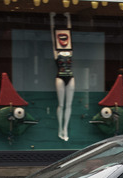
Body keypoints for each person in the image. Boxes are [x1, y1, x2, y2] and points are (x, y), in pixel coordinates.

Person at [51, 12, 74, 142]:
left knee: (69, 105)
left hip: (70, 76)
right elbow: (53, 36)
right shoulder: (57, 51)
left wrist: (68, 18)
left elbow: (69, 33)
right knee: (61, 104)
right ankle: (60, 128)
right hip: (60, 76)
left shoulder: (70, 50)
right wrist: (51, 19)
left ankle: (65, 128)